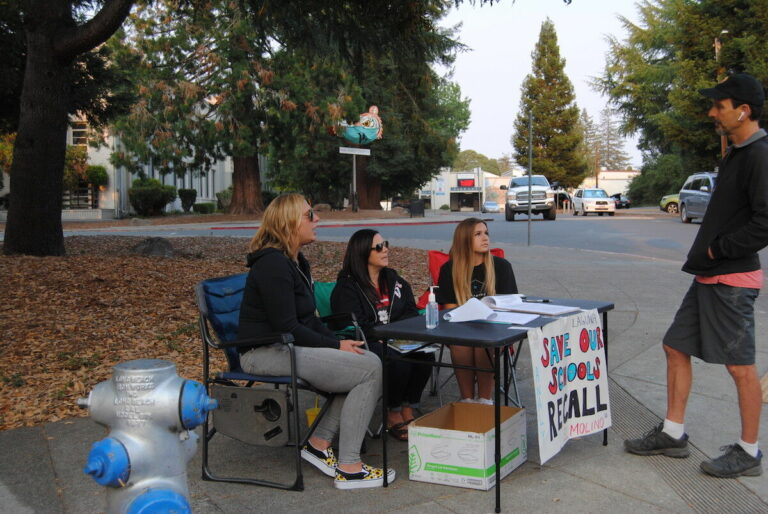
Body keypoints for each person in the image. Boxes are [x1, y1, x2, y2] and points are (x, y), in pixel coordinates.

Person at [624, 73, 767, 478]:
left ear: (743, 110)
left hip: (731, 280)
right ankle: (673, 433)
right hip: (709, 276)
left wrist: (717, 249)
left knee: (739, 368)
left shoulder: (759, 155)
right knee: (674, 347)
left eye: (719, 106)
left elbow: (765, 223)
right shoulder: (738, 152)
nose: (712, 112)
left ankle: (749, 452)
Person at [237, 193, 394, 489]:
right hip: (263, 351)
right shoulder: (271, 265)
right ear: (289, 223)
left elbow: (308, 320)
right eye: (310, 215)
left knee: (367, 360)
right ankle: (349, 467)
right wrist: (336, 347)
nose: (317, 219)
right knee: (368, 369)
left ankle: (319, 444)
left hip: (286, 344)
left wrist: (339, 344)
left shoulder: (296, 262)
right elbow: (288, 325)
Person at [331, 229, 435, 441]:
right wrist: (380, 334)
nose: (385, 249)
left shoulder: (394, 281)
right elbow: (350, 322)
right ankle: (393, 412)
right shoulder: (347, 287)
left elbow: (410, 311)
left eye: (385, 243)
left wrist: (399, 333)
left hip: (395, 337)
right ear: (362, 253)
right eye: (378, 247)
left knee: (425, 354)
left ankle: (409, 408)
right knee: (397, 360)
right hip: (367, 343)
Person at [436, 217, 518, 404]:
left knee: (483, 343)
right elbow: (449, 309)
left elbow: (509, 306)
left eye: (486, 233)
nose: (485, 238)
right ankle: (467, 400)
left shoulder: (501, 267)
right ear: (464, 239)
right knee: (461, 343)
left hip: (494, 327)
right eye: (478, 234)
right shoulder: (449, 269)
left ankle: (485, 399)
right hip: (461, 326)